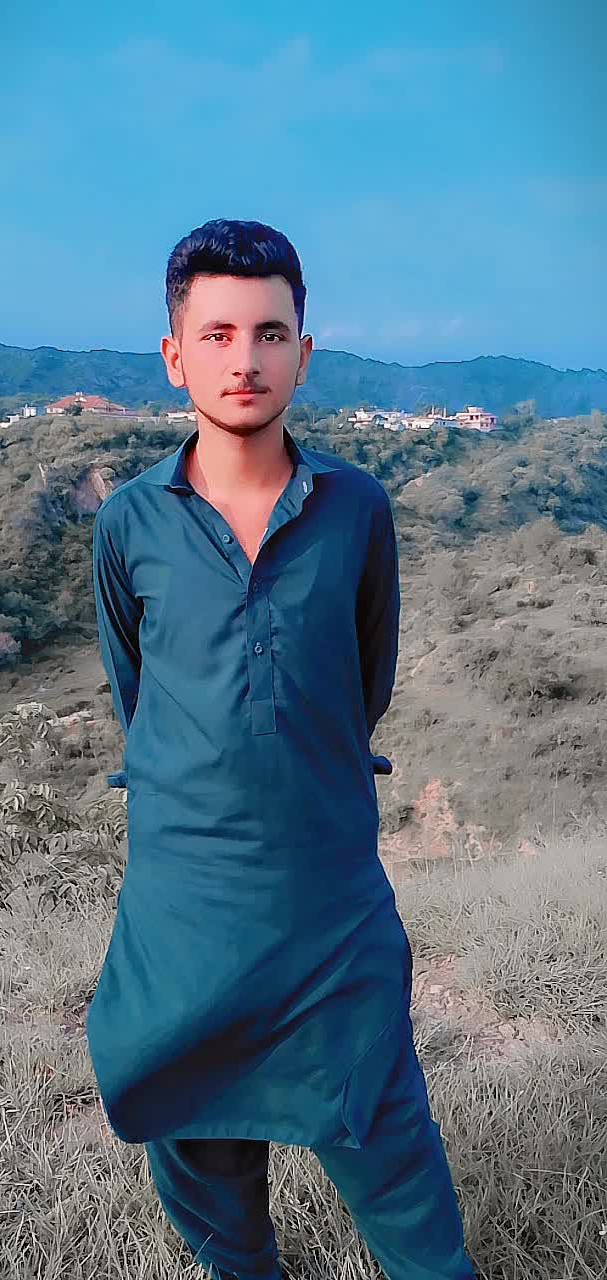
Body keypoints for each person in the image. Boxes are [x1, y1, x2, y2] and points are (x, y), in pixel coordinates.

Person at [87, 218, 475, 1280]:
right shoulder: (131, 524)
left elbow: (363, 684)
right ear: (175, 357)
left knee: (396, 1163)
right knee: (208, 1165)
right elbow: (138, 695)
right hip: (186, 917)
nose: (244, 359)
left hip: (329, 907)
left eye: (268, 333)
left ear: (303, 352)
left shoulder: (356, 510)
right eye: (216, 334)